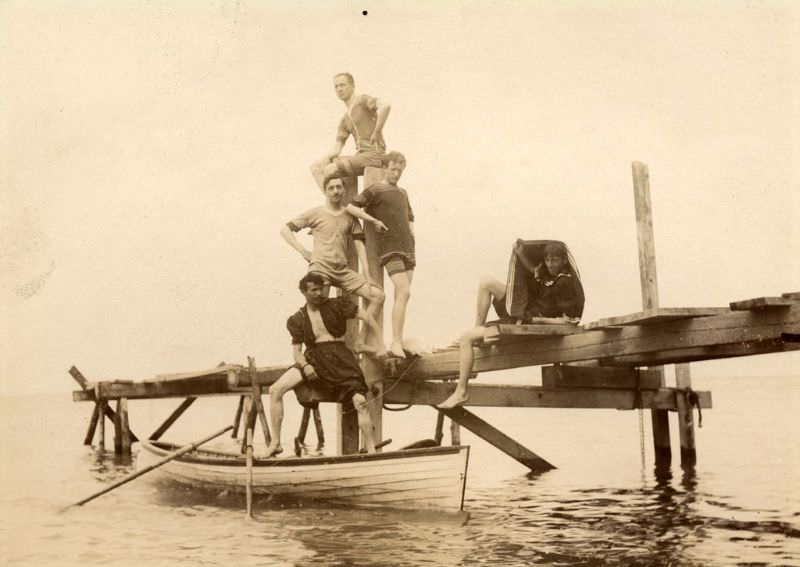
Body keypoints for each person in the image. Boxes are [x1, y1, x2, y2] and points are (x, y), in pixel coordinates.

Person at [436, 241, 584, 409]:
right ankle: (477, 330)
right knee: (487, 281)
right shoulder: (553, 276)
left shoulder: (564, 282)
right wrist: (521, 254)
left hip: (529, 319)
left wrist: (536, 320)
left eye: (554, 260)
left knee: (465, 339)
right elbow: (534, 272)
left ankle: (461, 392)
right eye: (548, 260)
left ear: (564, 261)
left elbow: (570, 320)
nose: (550, 264)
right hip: (527, 312)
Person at [265, 273, 378, 457]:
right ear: (303, 291)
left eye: (321, 289)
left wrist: (372, 340)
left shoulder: (337, 304)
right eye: (314, 290)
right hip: (314, 360)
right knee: (275, 390)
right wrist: (305, 366)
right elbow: (296, 352)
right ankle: (275, 444)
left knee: (360, 401)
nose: (319, 293)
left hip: (340, 358)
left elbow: (367, 317)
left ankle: (372, 450)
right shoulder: (297, 318)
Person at [280, 173, 388, 355]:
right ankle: (314, 353)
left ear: (344, 190)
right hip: (321, 268)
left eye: (339, 187)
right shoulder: (315, 213)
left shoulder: (350, 216)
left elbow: (359, 244)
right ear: (325, 191)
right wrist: (303, 251)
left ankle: (360, 342)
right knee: (319, 309)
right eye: (331, 188)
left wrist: (367, 275)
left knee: (378, 296)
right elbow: (285, 229)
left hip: (343, 270)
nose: (336, 191)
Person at [345, 151, 415, 358]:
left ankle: (397, 340)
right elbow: (351, 206)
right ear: (385, 168)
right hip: (390, 248)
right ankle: (395, 342)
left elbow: (410, 216)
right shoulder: (376, 189)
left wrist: (412, 234)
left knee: (402, 295)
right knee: (404, 291)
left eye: (399, 170)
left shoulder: (403, 192)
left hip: (408, 248)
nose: (396, 173)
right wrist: (373, 220)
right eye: (393, 169)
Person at [310, 72, 392, 189]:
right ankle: (342, 205)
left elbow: (386, 106)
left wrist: (377, 131)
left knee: (331, 169)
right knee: (318, 166)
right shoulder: (344, 120)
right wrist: (321, 161)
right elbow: (337, 148)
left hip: (374, 154)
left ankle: (337, 203)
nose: (339, 89)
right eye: (336, 86)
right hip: (360, 156)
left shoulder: (362, 101)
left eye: (342, 85)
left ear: (352, 86)